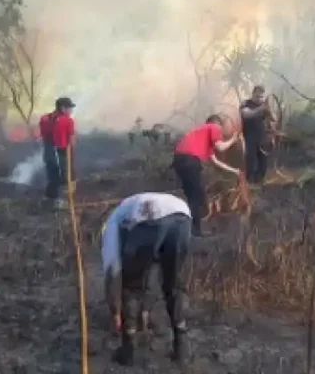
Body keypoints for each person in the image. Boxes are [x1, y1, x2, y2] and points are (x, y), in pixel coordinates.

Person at [101, 192, 193, 366]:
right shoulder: (127, 209)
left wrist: (115, 311)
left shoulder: (112, 224)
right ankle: (182, 349)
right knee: (174, 283)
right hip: (182, 217)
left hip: (147, 217)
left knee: (132, 286)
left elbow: (112, 269)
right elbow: (151, 267)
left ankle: (129, 351)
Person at [171, 115, 240, 237]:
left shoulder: (203, 138)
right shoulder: (214, 126)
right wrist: (233, 139)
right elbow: (221, 147)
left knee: (193, 196)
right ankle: (194, 229)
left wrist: (235, 171)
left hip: (179, 161)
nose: (221, 132)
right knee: (198, 197)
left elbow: (216, 162)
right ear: (217, 124)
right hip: (189, 160)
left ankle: (193, 230)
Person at [37, 97, 76, 209]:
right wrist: (72, 155)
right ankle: (63, 203)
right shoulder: (68, 121)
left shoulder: (44, 118)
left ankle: (49, 199)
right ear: (63, 108)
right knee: (66, 176)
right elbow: (71, 139)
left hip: (48, 151)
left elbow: (43, 135)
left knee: (52, 176)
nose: (71, 111)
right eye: (69, 108)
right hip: (62, 151)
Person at [239, 85, 272, 185]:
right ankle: (249, 183)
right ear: (253, 94)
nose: (259, 99)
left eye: (261, 97)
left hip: (262, 137)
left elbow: (272, 119)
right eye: (257, 96)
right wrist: (261, 108)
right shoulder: (246, 104)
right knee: (251, 162)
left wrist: (269, 110)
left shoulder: (264, 106)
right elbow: (246, 115)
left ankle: (259, 183)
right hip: (249, 137)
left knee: (263, 162)